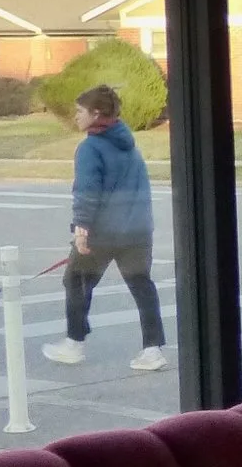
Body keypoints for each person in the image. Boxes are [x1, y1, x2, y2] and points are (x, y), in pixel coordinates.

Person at [43, 84, 168, 372]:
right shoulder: (128, 143)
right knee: (141, 285)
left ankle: (74, 343)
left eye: (80, 111)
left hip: (103, 232)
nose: (76, 117)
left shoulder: (90, 148)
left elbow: (87, 191)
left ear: (95, 113)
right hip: (137, 230)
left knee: (76, 281)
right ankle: (153, 349)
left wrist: (81, 229)